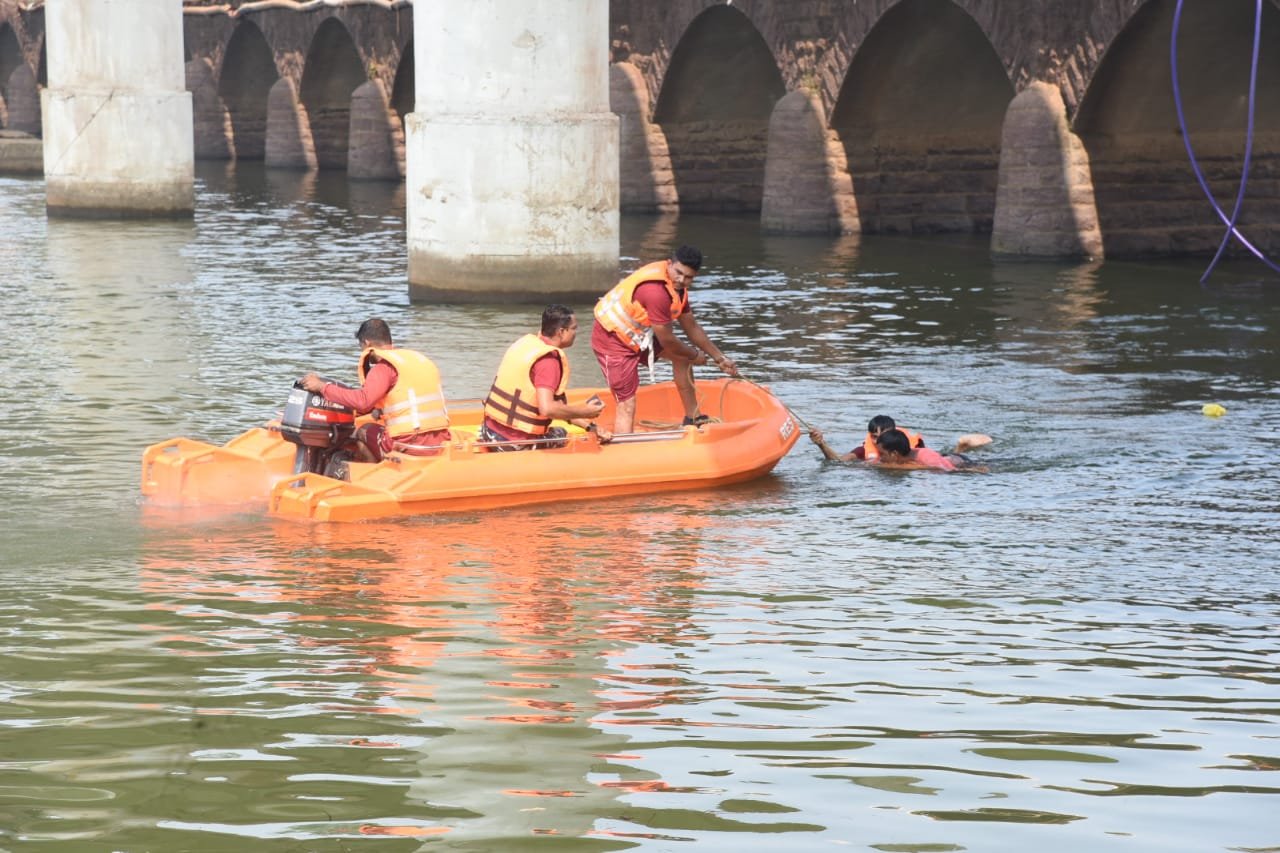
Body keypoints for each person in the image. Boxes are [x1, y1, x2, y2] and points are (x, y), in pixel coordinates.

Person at [592, 244, 740, 434]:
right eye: (678, 273)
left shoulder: (678, 290)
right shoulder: (656, 293)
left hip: (638, 334)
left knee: (682, 357)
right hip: (613, 340)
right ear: (669, 264)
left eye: (688, 277)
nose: (681, 280)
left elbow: (691, 327)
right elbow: (668, 340)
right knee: (626, 403)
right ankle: (624, 449)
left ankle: (693, 418)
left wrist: (720, 358)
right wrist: (695, 354)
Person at [300, 318, 451, 462]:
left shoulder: (383, 368)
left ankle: (376, 473)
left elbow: (363, 401)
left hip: (409, 443)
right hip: (440, 440)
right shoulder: (418, 360)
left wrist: (322, 386)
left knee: (363, 431)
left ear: (367, 343)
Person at [480, 304, 614, 451]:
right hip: (514, 441)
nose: (576, 333)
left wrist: (590, 426)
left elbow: (557, 407)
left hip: (489, 431)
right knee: (560, 434)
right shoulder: (548, 361)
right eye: (574, 328)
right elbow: (548, 409)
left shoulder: (527, 344)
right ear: (561, 332)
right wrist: (585, 411)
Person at [809, 418, 991, 465]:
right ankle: (961, 448)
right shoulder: (864, 451)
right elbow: (839, 461)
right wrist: (821, 444)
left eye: (879, 436)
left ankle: (961, 448)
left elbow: (937, 462)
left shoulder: (912, 448)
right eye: (872, 436)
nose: (876, 441)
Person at [873, 428, 988, 472]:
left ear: (894, 454)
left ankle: (962, 446)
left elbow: (948, 469)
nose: (880, 457)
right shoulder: (902, 455)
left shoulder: (926, 457)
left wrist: (974, 470)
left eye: (882, 454)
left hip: (960, 461)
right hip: (943, 457)